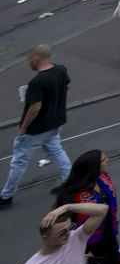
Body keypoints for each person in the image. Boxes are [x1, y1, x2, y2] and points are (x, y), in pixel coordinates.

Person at [1, 43, 72, 205]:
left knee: (19, 161)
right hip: (56, 121)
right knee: (56, 151)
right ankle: (70, 184)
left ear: (35, 59)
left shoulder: (37, 82)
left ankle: (6, 195)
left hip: (37, 129)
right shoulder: (61, 70)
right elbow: (66, 88)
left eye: (28, 60)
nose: (28, 63)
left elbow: (35, 107)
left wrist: (24, 127)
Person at [51, 149, 120, 264]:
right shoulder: (71, 195)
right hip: (83, 242)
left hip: (107, 237)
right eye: (103, 160)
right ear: (93, 167)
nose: (107, 160)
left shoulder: (103, 178)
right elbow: (64, 226)